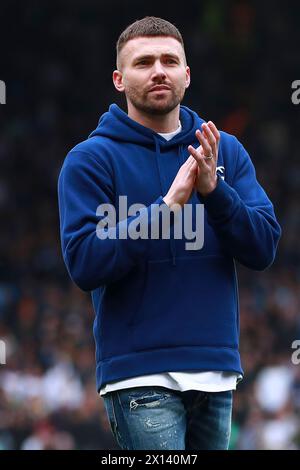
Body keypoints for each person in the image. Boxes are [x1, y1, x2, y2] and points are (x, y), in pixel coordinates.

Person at [57, 16, 281, 450]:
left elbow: (263, 247)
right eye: (143, 63)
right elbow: (84, 263)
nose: (159, 70)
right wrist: (167, 207)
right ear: (119, 80)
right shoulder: (90, 160)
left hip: (216, 371)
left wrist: (215, 193)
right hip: (138, 375)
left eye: (169, 60)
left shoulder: (224, 150)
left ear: (186, 74)